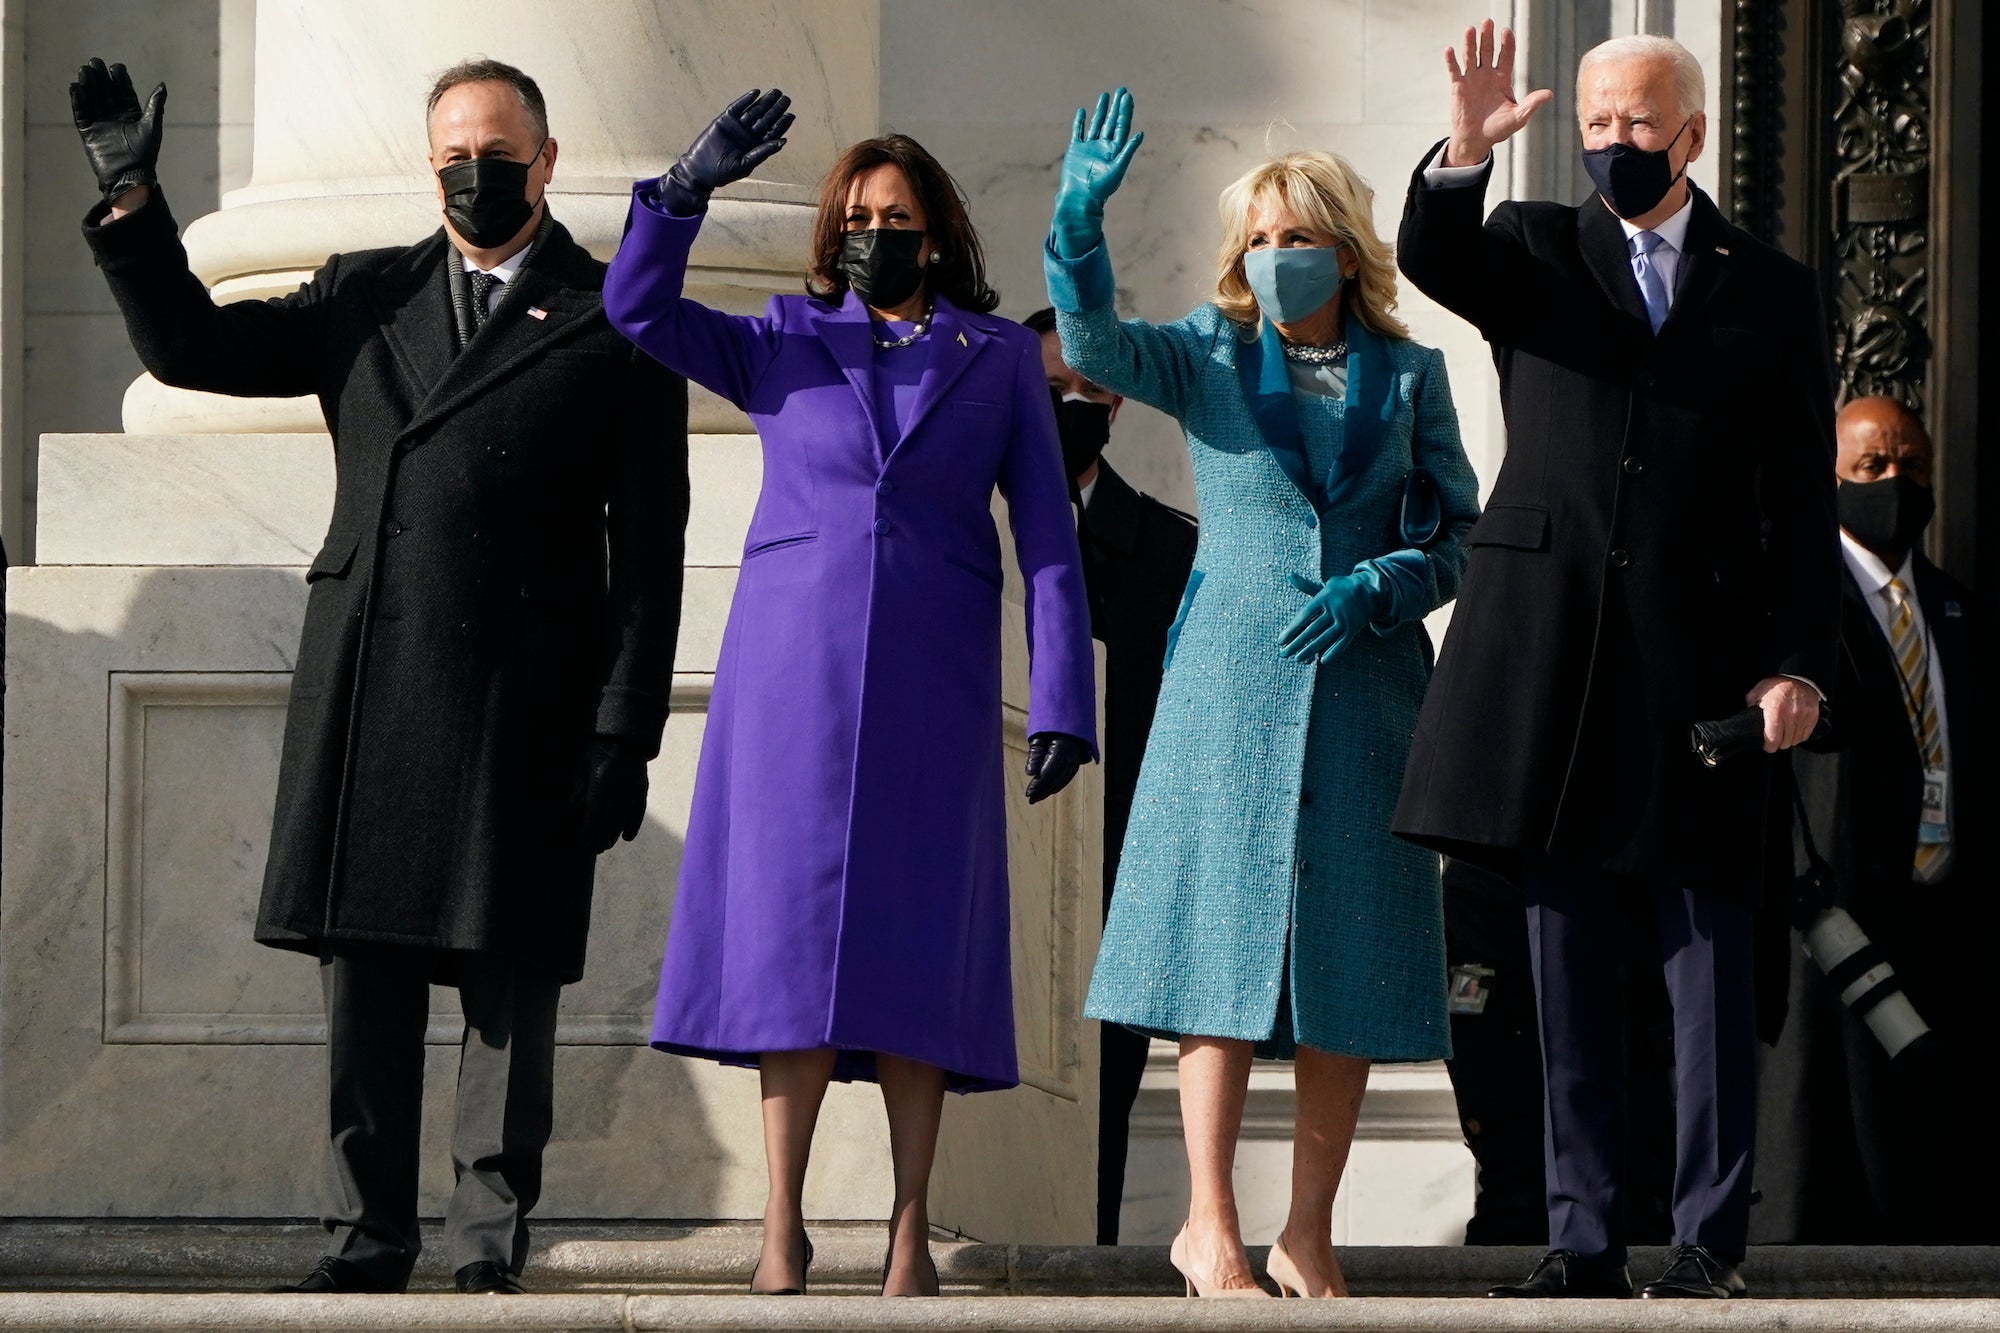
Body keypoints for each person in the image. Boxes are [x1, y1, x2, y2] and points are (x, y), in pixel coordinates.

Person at [72, 57, 689, 1294]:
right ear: (430, 165)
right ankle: (366, 1236)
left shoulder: (616, 313)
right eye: (454, 152)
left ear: (548, 160)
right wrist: (135, 206)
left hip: (531, 696)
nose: (476, 171)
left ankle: (482, 1245)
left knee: (509, 985)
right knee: (370, 976)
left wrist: (624, 728)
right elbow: (193, 349)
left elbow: (651, 542)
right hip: (376, 682)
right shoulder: (367, 292)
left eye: (498, 150)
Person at [603, 92, 1096, 1298]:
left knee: (919, 950)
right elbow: (634, 308)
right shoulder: (779, 334)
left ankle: (910, 1228)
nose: (879, 229)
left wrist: (1064, 699)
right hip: (789, 685)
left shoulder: (991, 363)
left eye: (900, 215)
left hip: (932, 677)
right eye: (860, 214)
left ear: (936, 234)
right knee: (791, 953)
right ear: (833, 231)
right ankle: (781, 1227)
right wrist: (681, 193)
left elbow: (1045, 536)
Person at [1390, 23, 1839, 1300]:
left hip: (1704, 673)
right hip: (1554, 670)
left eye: (1635, 126)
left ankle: (1705, 1239)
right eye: (1592, 124)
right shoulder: (1533, 248)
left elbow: (1799, 505)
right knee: (1564, 971)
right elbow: (1431, 255)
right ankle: (1579, 1236)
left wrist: (1794, 661)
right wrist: (1460, 158)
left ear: (1690, 134)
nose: (1609, 146)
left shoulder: (1769, 286)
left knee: (1707, 976)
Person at [1045, 89, 1481, 1298]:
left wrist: (1384, 584)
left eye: (1297, 238)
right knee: (1215, 951)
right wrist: (1077, 222)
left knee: (1345, 954)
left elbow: (1457, 528)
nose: (1276, 259)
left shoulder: (1408, 373)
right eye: (1258, 240)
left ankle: (1305, 1231)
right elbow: (1090, 344)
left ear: (1344, 247)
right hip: (1229, 680)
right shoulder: (1208, 353)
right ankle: (1206, 1226)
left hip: (1365, 687)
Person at [1753, 396, 1993, 1243]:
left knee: (1931, 1148)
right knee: (1825, 1139)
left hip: (1940, 912)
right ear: (1833, 479)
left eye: (1912, 467)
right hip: (1830, 914)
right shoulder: (1795, 602)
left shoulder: (1957, 609)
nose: (1896, 482)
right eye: (1873, 467)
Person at [1024, 305, 1198, 1246]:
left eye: (1091, 391)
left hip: (1121, 877)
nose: (1073, 409)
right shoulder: (965, 532)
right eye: (1052, 391)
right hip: (987, 865)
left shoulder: (1173, 555)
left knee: (1100, 1116)